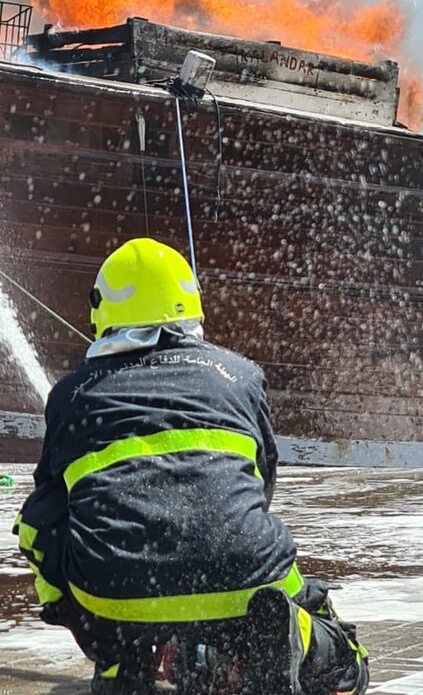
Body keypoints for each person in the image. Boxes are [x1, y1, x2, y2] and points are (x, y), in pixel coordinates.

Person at [13, 237, 369, 695]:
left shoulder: (70, 393)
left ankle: (120, 658)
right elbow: (261, 484)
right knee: (346, 661)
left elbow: (45, 514)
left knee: (40, 529)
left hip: (116, 594)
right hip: (245, 576)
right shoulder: (241, 375)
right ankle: (296, 642)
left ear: (103, 308)